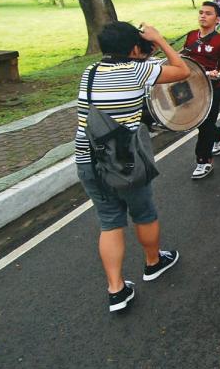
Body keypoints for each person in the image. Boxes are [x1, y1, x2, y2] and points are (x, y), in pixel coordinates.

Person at [75, 21, 188, 312]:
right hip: (124, 162)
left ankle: (116, 290)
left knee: (110, 221)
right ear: (135, 48)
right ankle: (153, 262)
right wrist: (159, 37)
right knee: (143, 213)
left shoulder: (90, 73)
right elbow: (182, 70)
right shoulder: (138, 70)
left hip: (89, 159)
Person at [183, 2, 220, 180]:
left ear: (217, 19)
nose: (203, 16)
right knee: (200, 122)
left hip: (212, 89)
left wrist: (219, 74)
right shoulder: (191, 36)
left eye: (208, 13)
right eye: (201, 13)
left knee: (205, 125)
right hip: (192, 87)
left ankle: (204, 161)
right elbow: (183, 58)